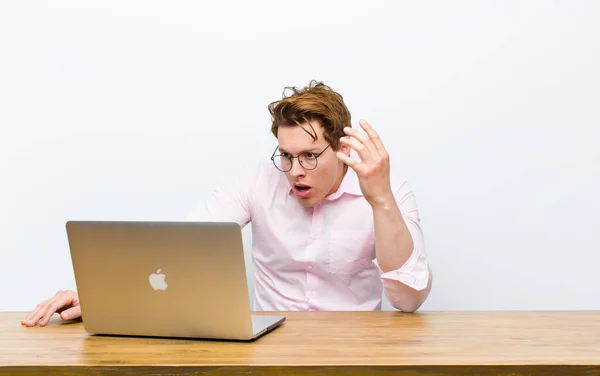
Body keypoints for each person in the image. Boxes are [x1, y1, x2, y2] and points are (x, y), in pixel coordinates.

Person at [22, 80, 432, 327]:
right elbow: (182, 245)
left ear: (341, 148)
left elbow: (409, 300)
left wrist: (379, 200)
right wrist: (100, 294)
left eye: (309, 155)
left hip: (356, 350)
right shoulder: (259, 180)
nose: (294, 171)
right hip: (272, 347)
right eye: (285, 155)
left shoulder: (384, 187)